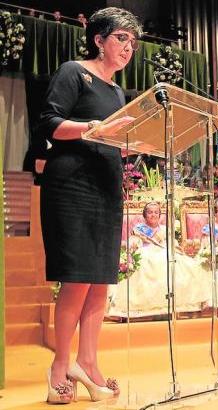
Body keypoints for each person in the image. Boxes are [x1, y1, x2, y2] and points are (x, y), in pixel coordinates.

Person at [36, 7, 141, 403]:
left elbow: (114, 138)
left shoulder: (117, 92)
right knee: (78, 278)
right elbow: (50, 124)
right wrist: (95, 129)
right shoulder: (72, 72)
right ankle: (59, 366)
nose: (128, 47)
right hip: (72, 185)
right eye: (120, 38)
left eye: (133, 42)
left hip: (106, 186)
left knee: (100, 282)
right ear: (98, 39)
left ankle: (89, 362)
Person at [107, 203, 211, 318]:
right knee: (145, 265)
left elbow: (173, 243)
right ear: (145, 215)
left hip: (165, 252)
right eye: (150, 212)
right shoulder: (139, 229)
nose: (153, 215)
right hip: (146, 253)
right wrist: (134, 244)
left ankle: (187, 305)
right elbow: (134, 241)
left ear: (160, 215)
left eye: (156, 212)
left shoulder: (165, 229)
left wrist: (175, 248)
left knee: (188, 266)